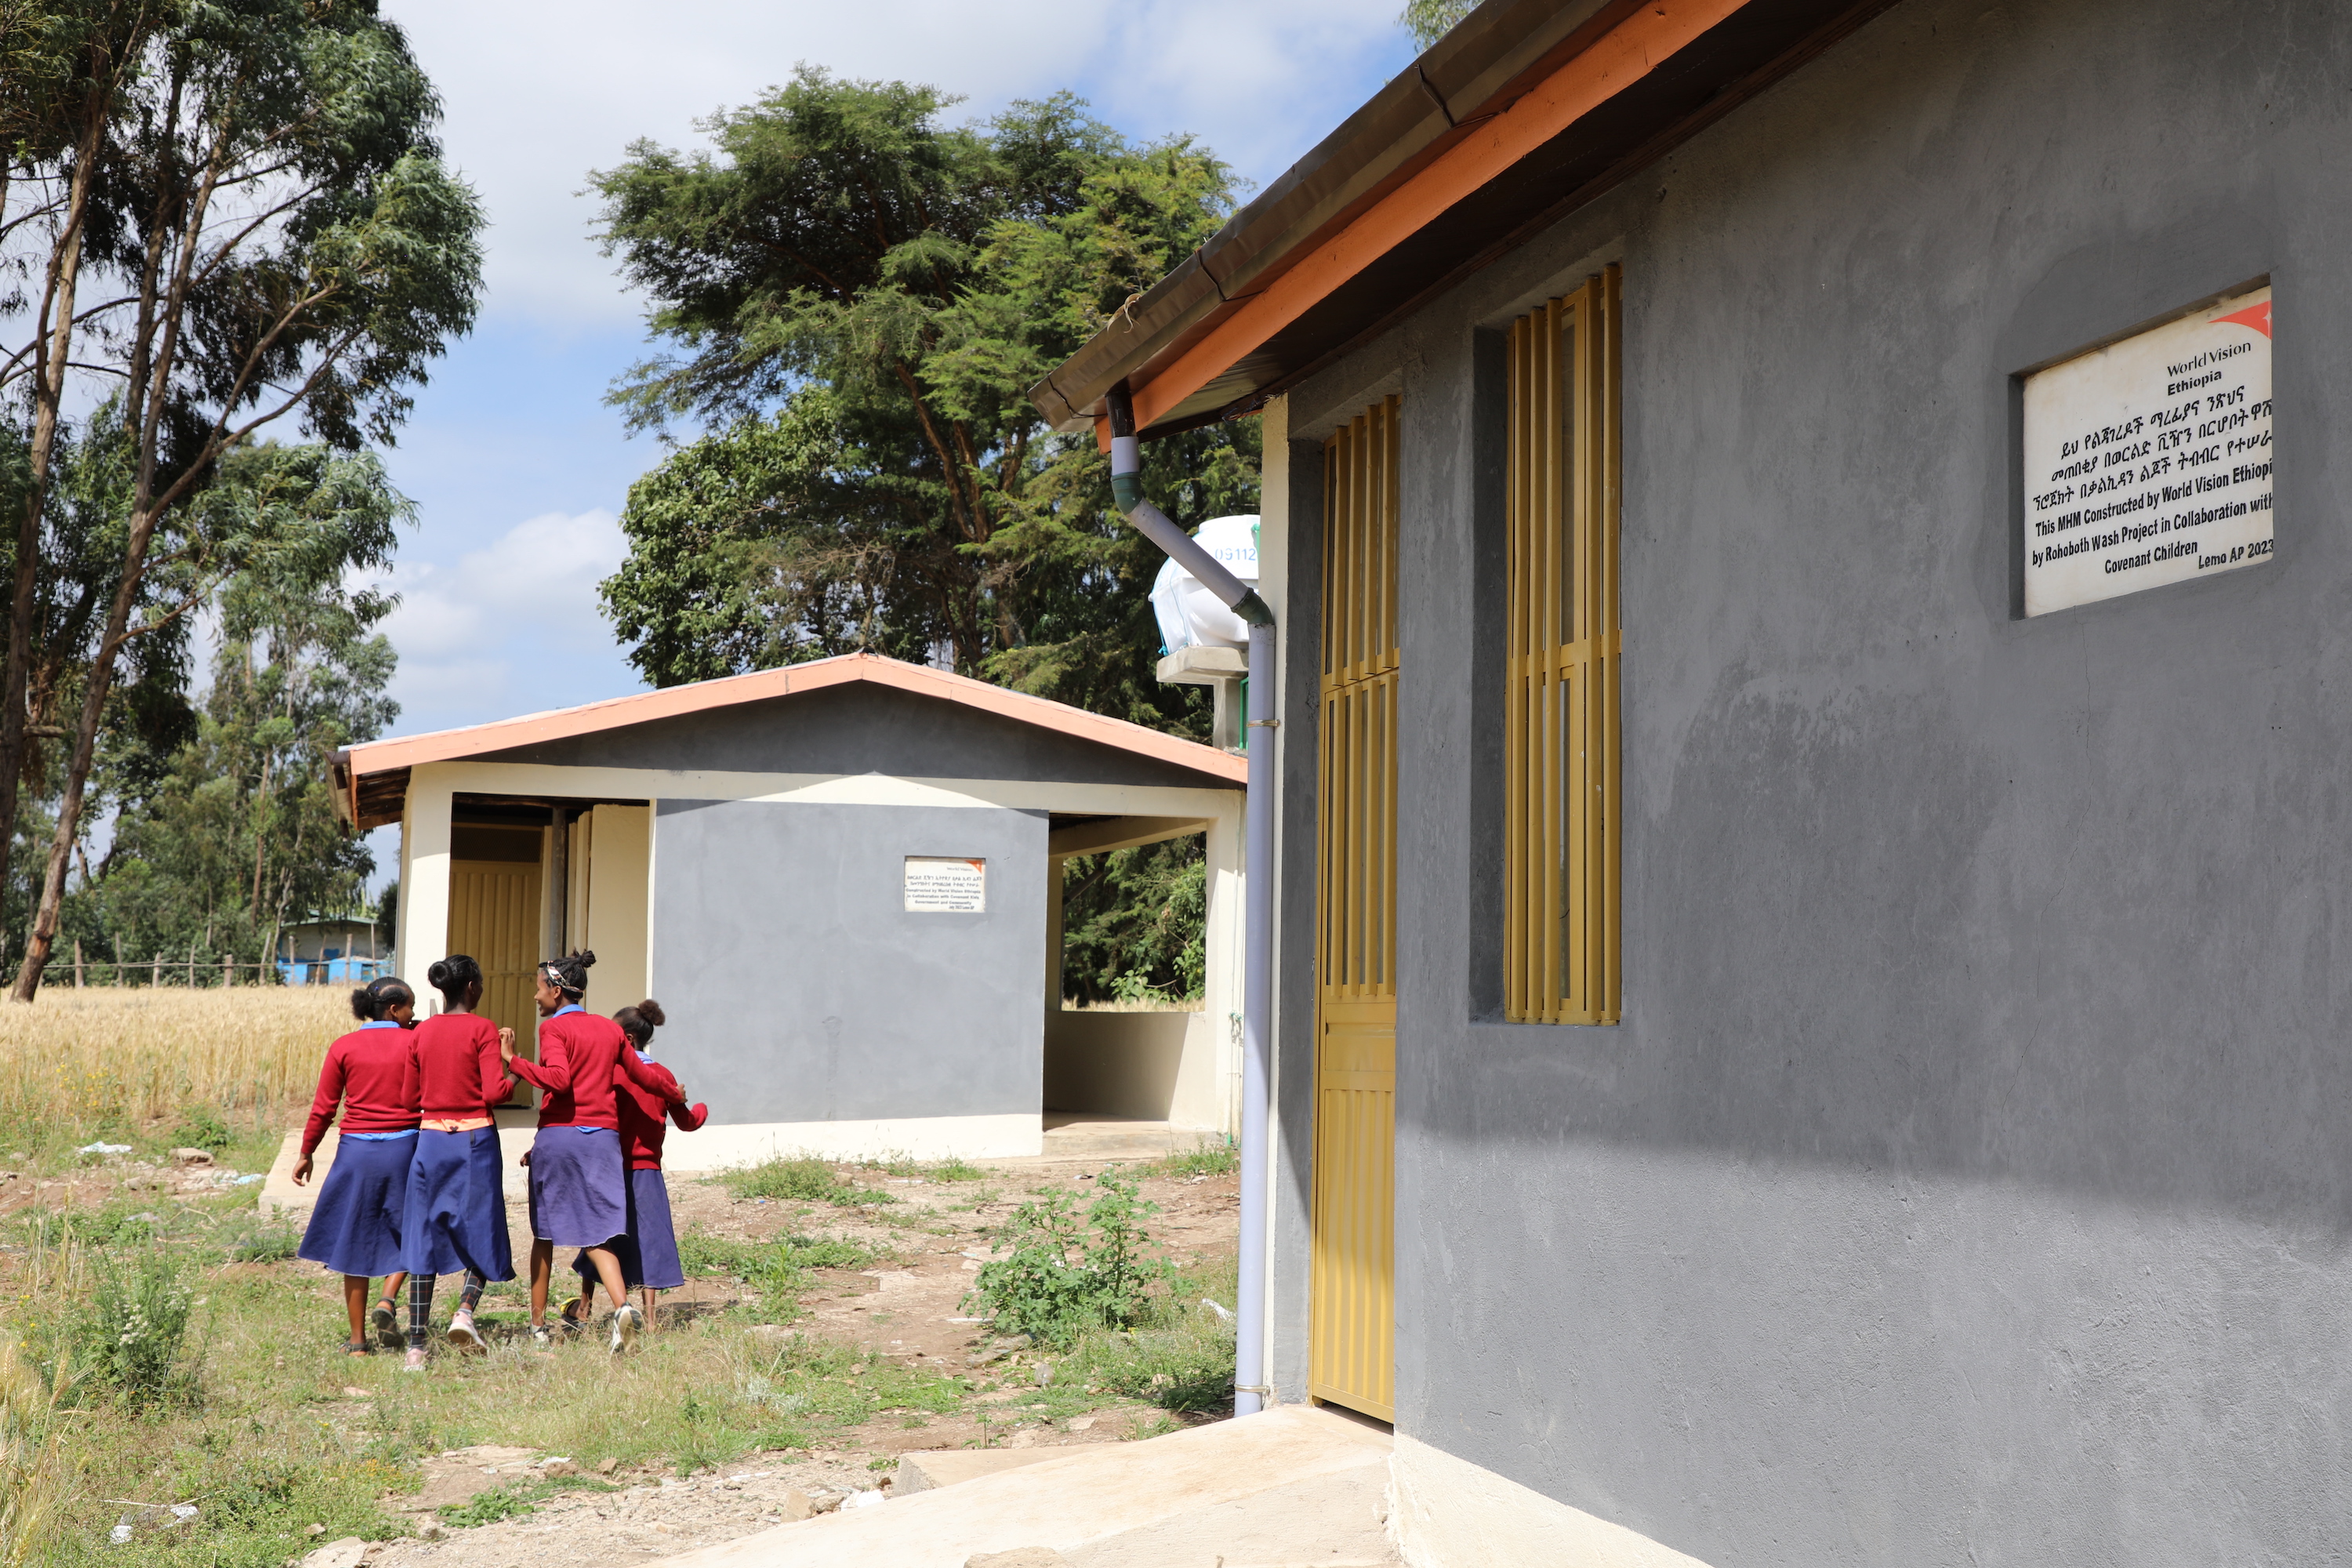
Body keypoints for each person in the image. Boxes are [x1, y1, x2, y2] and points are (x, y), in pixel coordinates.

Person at [499, 951, 670, 1353]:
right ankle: (623, 1308)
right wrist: (673, 1092)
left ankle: (539, 1328)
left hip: (562, 1137)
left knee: (544, 1233)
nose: (536, 998)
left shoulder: (554, 1032)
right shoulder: (610, 1031)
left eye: (539, 990)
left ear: (557, 991)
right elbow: (645, 1075)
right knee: (599, 1234)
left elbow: (558, 1080)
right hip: (604, 1142)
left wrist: (512, 1061)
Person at [397, 953, 519, 1370]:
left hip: (430, 1142)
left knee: (423, 1235)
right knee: (483, 1228)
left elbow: (409, 1098)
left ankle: (416, 1346)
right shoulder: (483, 1029)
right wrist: (513, 1065)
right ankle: (464, 1312)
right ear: (471, 987)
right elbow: (495, 1093)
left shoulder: (422, 1032)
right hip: (474, 1140)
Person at [562, 1000, 706, 1334]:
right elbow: (687, 1122)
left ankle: (584, 1307)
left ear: (625, 1039)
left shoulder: (611, 1073)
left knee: (600, 1237)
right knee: (650, 1239)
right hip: (647, 1171)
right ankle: (652, 1319)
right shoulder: (663, 1075)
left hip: (608, 1166)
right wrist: (701, 1108)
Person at [294, 976, 419, 1356]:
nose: (413, 1014)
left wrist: (307, 1150)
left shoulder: (344, 1047)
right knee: (410, 1231)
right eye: (410, 1007)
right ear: (395, 1009)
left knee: (355, 1240)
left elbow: (324, 1108)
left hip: (355, 1153)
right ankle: (387, 1300)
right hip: (405, 1148)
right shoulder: (415, 1041)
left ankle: (357, 1342)